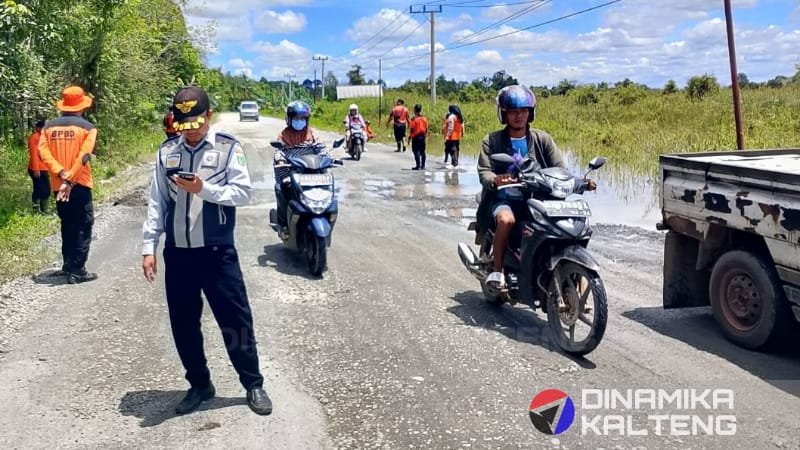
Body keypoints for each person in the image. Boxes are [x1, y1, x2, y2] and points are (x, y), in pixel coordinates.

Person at [141, 86, 272, 416]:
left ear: (209, 116)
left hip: (217, 253)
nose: (191, 132)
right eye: (184, 126)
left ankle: (253, 383)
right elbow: (157, 201)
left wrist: (204, 189)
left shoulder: (228, 148)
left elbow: (243, 194)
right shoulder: (167, 152)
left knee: (235, 320)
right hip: (179, 254)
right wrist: (149, 247)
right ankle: (200, 385)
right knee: (183, 324)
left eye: (196, 124)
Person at [477, 85, 590, 288]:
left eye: (523, 111)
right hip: (505, 199)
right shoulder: (492, 141)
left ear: (530, 113)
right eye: (512, 112)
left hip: (538, 198)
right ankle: (497, 271)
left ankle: (573, 275)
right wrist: (495, 180)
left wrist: (579, 182)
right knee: (506, 220)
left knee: (565, 226)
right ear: (504, 114)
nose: (519, 116)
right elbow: (484, 171)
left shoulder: (542, 139)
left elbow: (560, 168)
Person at [38, 86, 98, 284]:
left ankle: (68, 264)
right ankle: (78, 270)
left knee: (68, 224)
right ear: (81, 106)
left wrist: (61, 174)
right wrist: (70, 179)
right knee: (83, 223)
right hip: (79, 183)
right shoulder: (88, 128)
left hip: (58, 185)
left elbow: (43, 154)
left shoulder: (47, 127)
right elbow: (84, 156)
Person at [274, 101, 318, 231]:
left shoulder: (311, 133)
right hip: (291, 171)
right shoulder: (284, 135)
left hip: (312, 172)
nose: (299, 121)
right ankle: (283, 224)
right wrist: (281, 161)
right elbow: (279, 152)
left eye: (302, 119)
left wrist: (329, 157)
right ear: (289, 119)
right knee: (280, 188)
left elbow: (321, 148)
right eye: (296, 118)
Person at [27, 120, 50, 213]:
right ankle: (36, 210)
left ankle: (44, 209)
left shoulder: (44, 138)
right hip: (36, 168)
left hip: (44, 168)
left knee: (46, 189)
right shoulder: (34, 138)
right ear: (38, 128)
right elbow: (34, 155)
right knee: (39, 189)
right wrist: (36, 169)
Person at [407, 104, 428, 170]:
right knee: (422, 151)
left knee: (416, 151)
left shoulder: (414, 119)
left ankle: (418, 166)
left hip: (416, 136)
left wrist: (410, 137)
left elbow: (412, 129)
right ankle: (423, 166)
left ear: (415, 110)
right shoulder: (424, 118)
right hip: (423, 136)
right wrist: (425, 135)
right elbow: (426, 128)